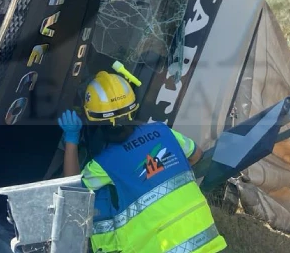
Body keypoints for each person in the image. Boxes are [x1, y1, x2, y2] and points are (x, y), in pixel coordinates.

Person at [58, 70, 226, 253]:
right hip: (210, 244)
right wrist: (156, 173)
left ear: (94, 120)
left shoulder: (104, 164)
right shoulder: (163, 132)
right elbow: (196, 155)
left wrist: (71, 139)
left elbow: (73, 194)